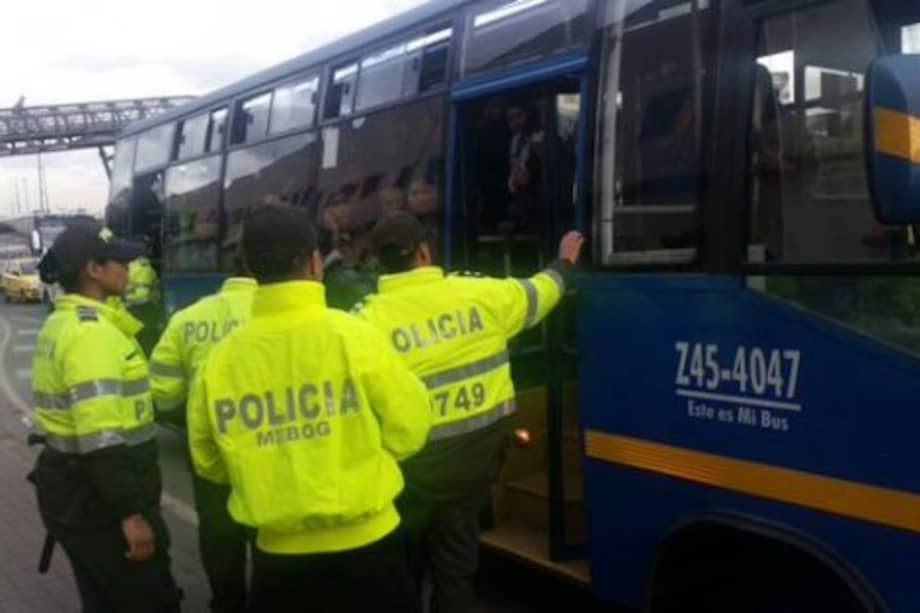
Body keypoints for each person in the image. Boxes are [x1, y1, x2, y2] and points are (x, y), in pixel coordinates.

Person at [186, 204, 432, 613]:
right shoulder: (354, 335)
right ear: (315, 262)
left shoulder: (219, 361)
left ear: (248, 266)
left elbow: (209, 463)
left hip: (279, 567)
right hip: (372, 553)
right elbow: (410, 429)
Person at [354, 212, 585, 613]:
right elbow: (541, 293)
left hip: (409, 473)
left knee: (404, 570)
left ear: (378, 261)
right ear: (424, 252)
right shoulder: (478, 293)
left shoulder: (364, 322)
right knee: (456, 569)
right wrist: (564, 261)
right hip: (475, 464)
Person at [29, 222, 181, 613]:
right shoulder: (91, 336)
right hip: (102, 501)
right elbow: (101, 436)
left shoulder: (62, 322)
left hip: (75, 490)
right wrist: (130, 514)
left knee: (103, 599)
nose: (128, 269)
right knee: (150, 600)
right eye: (119, 262)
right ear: (92, 270)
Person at [149, 259, 257, 613]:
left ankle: (227, 603)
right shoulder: (294, 318)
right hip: (274, 452)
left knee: (219, 536)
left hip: (212, 452)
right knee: (271, 536)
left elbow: (163, 393)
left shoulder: (188, 318)